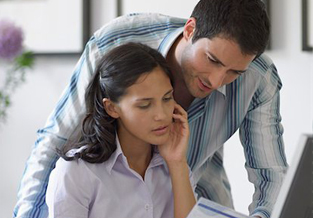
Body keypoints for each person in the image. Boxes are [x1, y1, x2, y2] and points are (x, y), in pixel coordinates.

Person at [13, 0, 288, 218]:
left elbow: (271, 176)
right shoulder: (116, 42)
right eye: (212, 60)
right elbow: (53, 143)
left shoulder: (258, 79)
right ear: (190, 30)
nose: (217, 82)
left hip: (198, 199)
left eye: (234, 73)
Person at [45, 42, 196, 218]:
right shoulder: (76, 173)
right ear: (112, 108)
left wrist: (177, 164)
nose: (162, 115)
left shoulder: (175, 168)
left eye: (167, 98)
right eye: (145, 105)